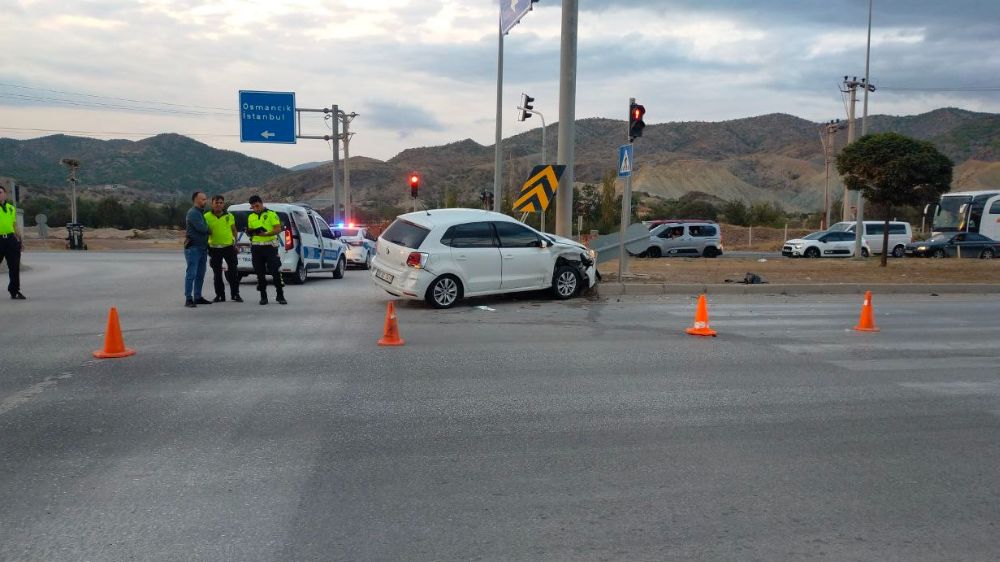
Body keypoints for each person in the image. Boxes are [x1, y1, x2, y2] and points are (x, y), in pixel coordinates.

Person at [246, 195, 286, 305]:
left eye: (257, 205)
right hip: (256, 247)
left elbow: (278, 229)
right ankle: (263, 297)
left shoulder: (271, 214)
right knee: (260, 273)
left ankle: (280, 295)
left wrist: (266, 234)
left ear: (261, 203)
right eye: (253, 207)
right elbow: (250, 230)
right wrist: (250, 232)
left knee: (275, 271)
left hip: (270, 247)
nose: (255, 208)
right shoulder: (250, 217)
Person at [204, 195, 242, 303]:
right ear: (212, 204)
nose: (219, 205)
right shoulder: (206, 216)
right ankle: (220, 295)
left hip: (229, 247)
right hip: (214, 248)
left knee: (233, 271)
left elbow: (234, 230)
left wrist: (236, 243)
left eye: (221, 203)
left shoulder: (229, 216)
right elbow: (205, 231)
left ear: (223, 204)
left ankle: (235, 294)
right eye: (216, 203)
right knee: (217, 273)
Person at [184, 191, 212, 308]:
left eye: (205, 199)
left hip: (202, 248)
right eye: (203, 199)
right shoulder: (193, 213)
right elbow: (202, 228)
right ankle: (189, 298)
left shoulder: (200, 213)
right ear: (195, 200)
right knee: (191, 273)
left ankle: (198, 296)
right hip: (194, 248)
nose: (205, 201)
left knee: (200, 273)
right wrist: (209, 229)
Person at [0, 186, 25, 300]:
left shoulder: (11, 208)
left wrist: (19, 240)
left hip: (11, 240)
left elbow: (15, 225)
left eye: (0, 192)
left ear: (5, 194)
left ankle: (14, 291)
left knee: (14, 266)